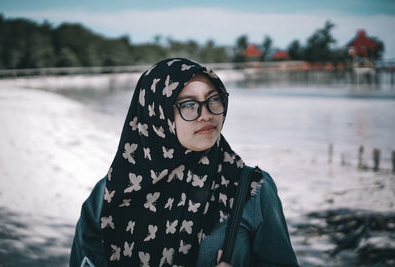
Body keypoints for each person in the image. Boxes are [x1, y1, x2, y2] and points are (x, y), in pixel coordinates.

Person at [70, 58, 298, 267]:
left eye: (214, 99)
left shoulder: (251, 189)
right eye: (189, 104)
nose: (206, 114)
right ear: (157, 115)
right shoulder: (112, 192)